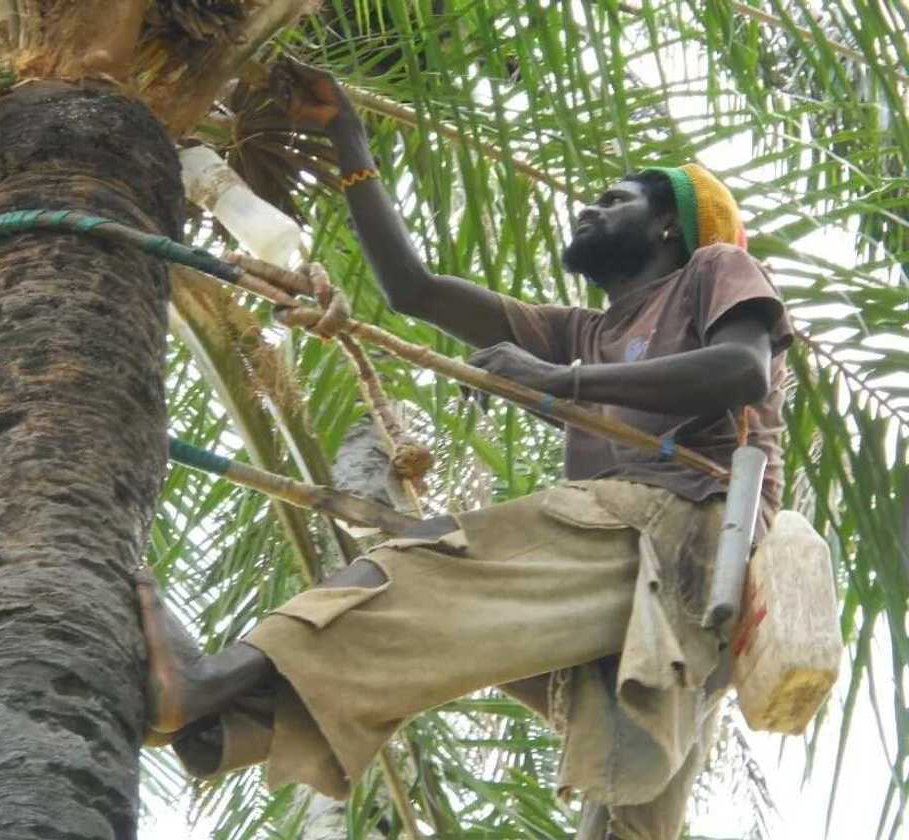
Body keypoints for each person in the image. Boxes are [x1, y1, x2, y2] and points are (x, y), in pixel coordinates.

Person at [138, 60, 794, 840]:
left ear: (668, 226)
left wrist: (560, 380)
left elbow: (740, 369)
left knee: (426, 567)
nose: (587, 207)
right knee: (627, 822)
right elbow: (412, 290)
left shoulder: (711, 272)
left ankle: (212, 686)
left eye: (613, 200)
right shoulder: (581, 329)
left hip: (681, 531)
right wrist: (348, 139)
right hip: (635, 590)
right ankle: (229, 724)